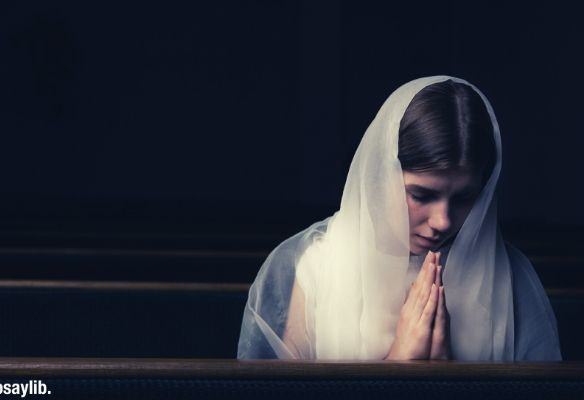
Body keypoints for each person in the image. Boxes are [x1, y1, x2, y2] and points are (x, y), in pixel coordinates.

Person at [237, 76, 562, 361]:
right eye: (421, 195)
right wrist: (398, 366)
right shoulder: (315, 267)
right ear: (381, 177)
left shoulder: (510, 275)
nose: (443, 221)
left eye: (464, 198)